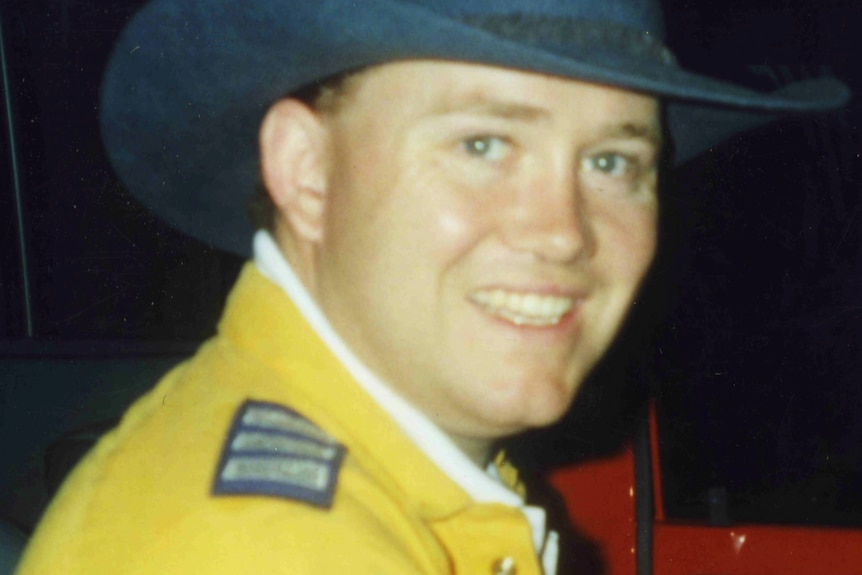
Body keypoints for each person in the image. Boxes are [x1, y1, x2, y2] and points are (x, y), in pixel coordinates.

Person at [15, 1, 847, 574]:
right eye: (483, 144)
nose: (563, 230)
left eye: (611, 161)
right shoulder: (271, 546)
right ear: (307, 172)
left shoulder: (401, 478)